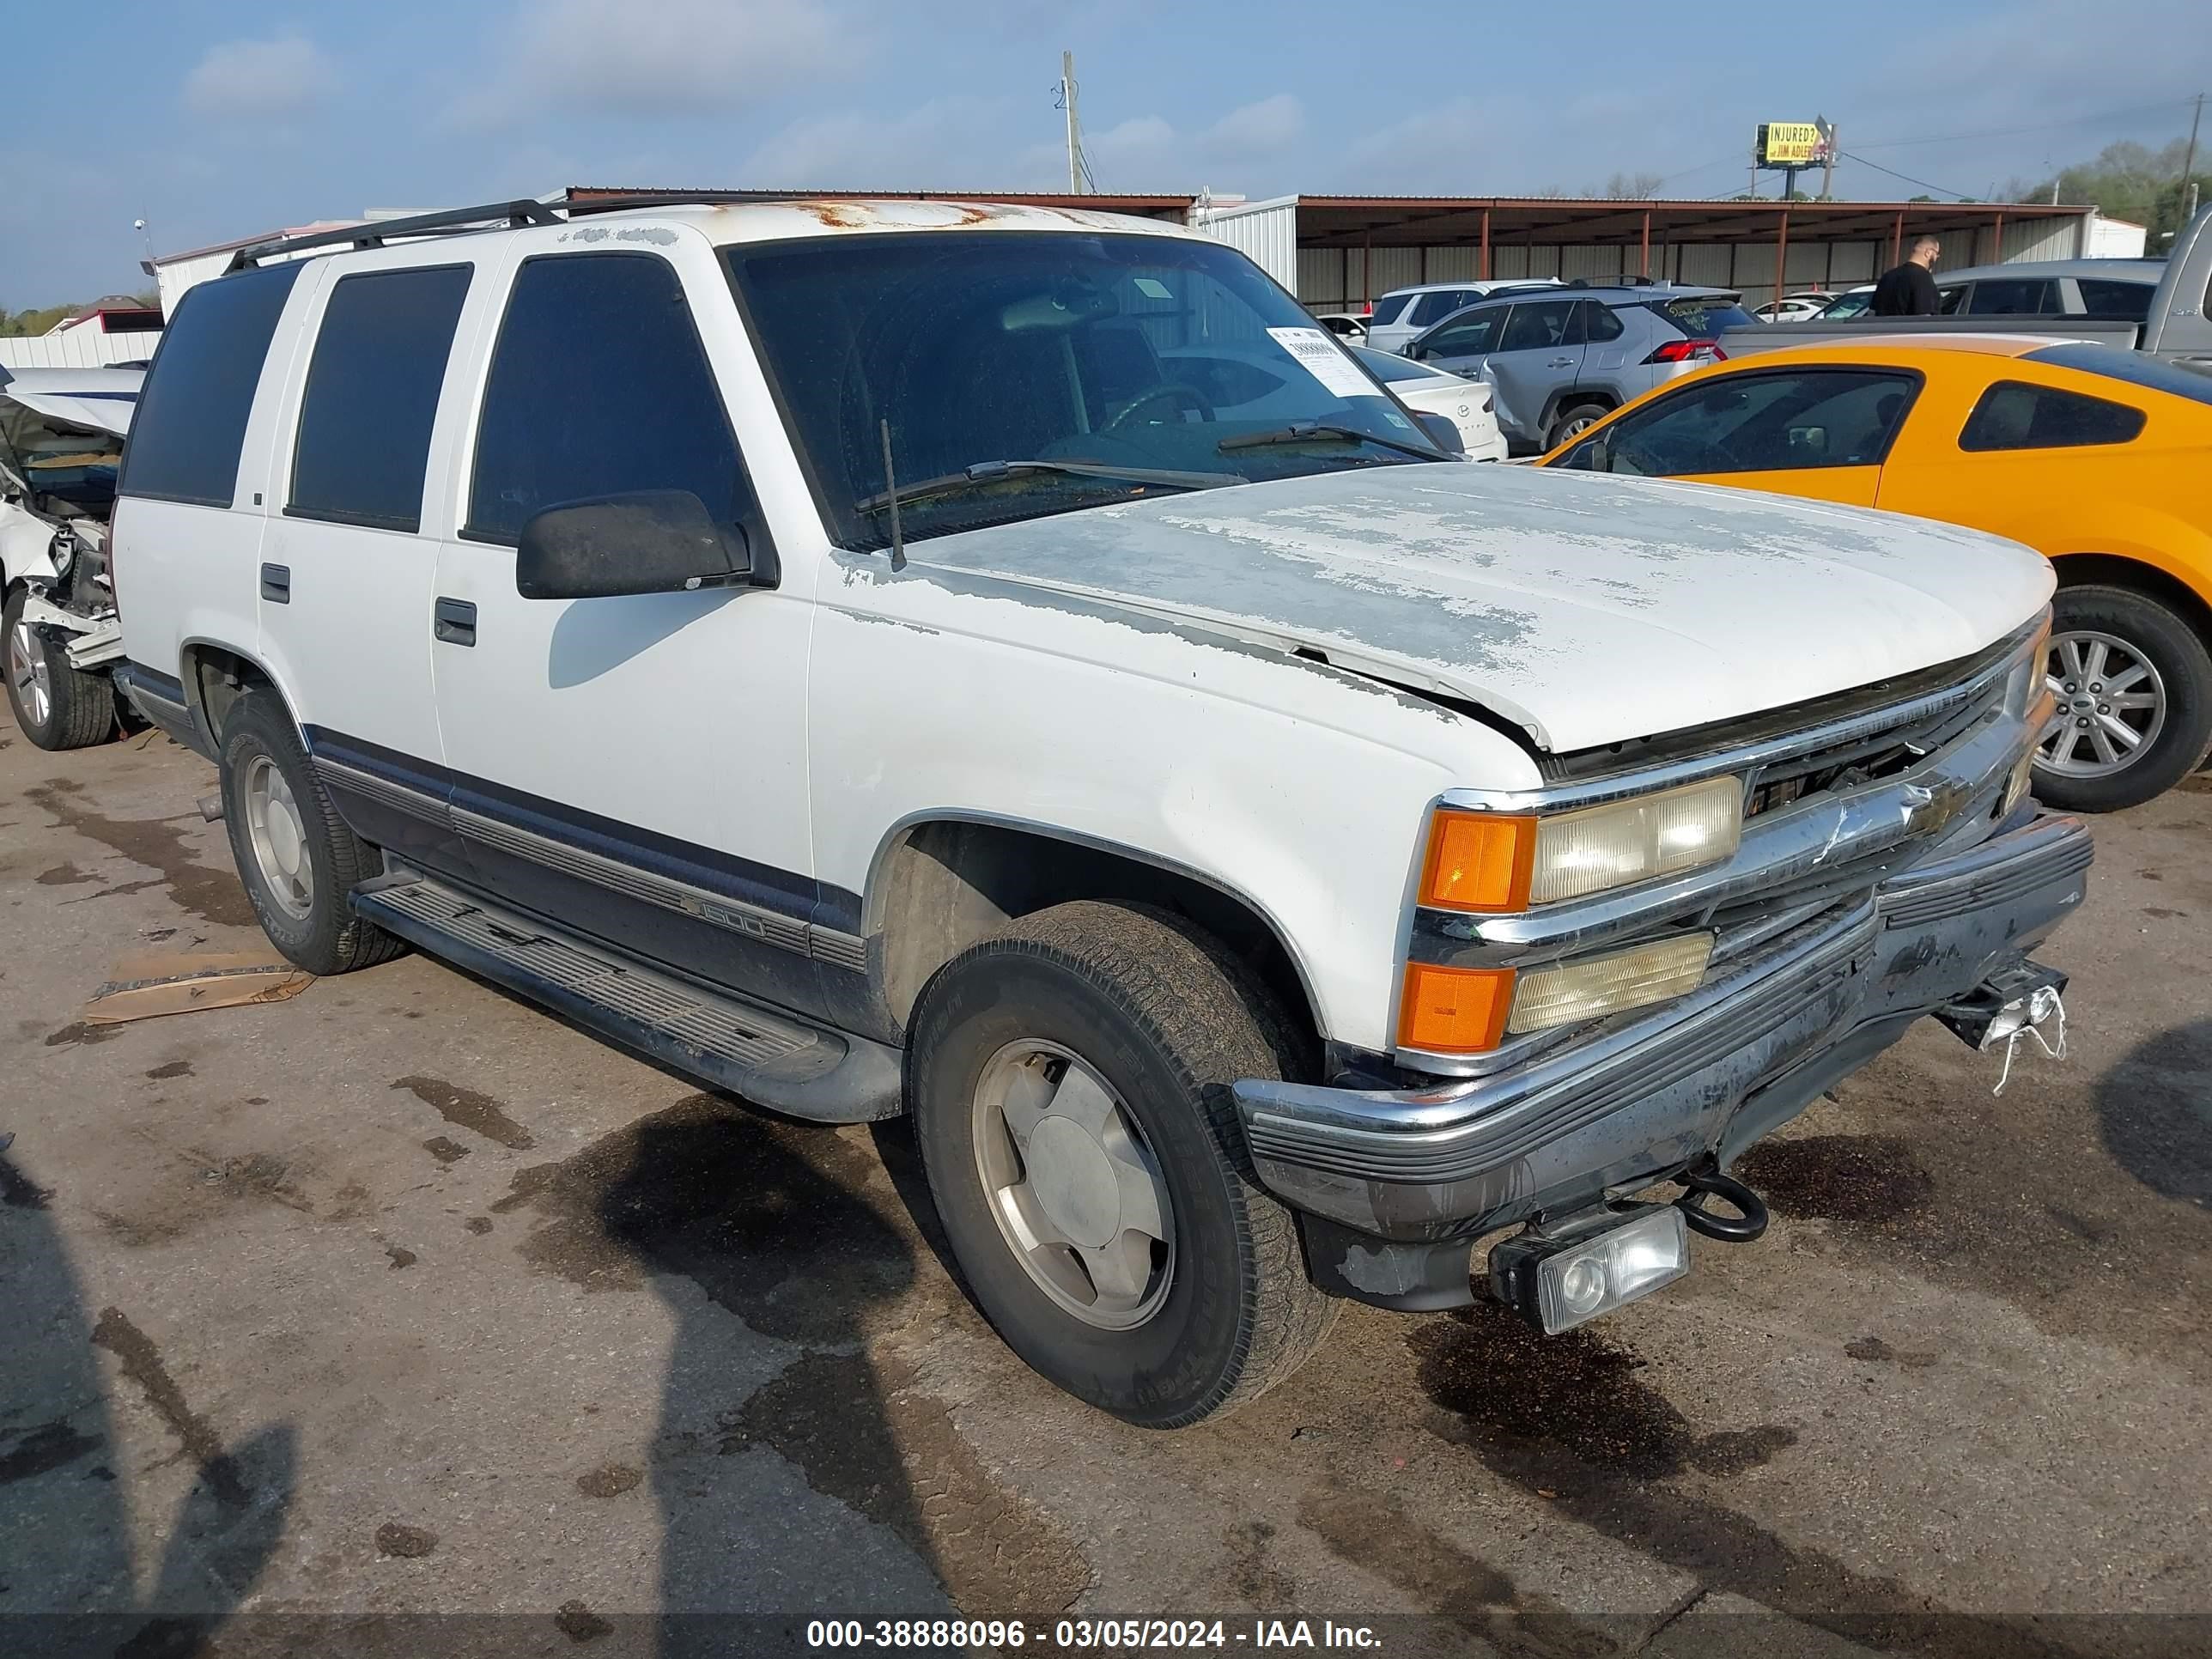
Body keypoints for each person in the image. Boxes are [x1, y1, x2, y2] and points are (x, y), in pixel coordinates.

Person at [1872, 235, 1943, 317]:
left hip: (1882, 328)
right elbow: (1924, 317)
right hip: (1908, 329)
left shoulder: (1888, 276)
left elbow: (1873, 312)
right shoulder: (1923, 278)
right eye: (1937, 254)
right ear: (1928, 252)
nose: (1937, 258)